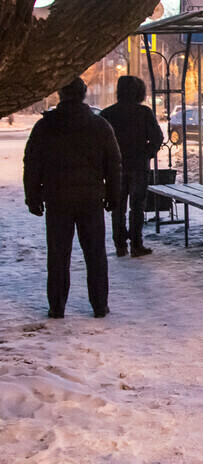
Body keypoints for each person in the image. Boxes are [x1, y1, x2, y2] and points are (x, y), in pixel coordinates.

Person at [23, 77, 122, 319]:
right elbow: (113, 164)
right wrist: (113, 195)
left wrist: (32, 196)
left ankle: (57, 307)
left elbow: (32, 163)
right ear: (83, 94)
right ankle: (100, 305)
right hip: (90, 198)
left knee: (58, 255)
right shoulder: (99, 126)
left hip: (57, 198)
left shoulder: (45, 126)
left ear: (60, 94)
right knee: (95, 254)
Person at [100, 76, 164, 257]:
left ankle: (120, 245)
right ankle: (137, 244)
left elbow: (99, 143)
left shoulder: (107, 114)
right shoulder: (144, 112)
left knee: (117, 206)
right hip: (138, 166)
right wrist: (147, 153)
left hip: (115, 168)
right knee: (137, 206)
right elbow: (157, 138)